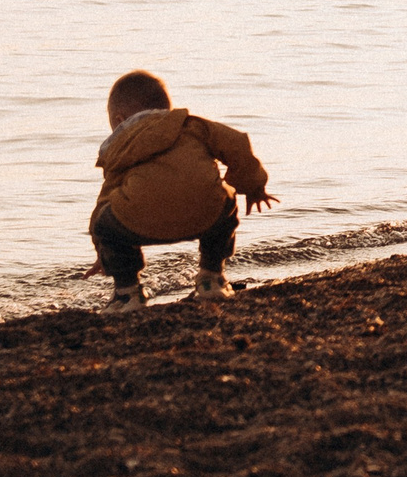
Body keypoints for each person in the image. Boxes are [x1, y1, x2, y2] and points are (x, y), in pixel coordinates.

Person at [90, 70, 278, 309]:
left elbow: (106, 197)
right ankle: (211, 279)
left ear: (118, 120)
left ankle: (128, 293)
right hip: (206, 215)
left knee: (104, 221)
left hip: (140, 221)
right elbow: (236, 146)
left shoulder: (118, 146)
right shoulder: (190, 125)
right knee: (226, 198)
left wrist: (102, 249)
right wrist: (253, 186)